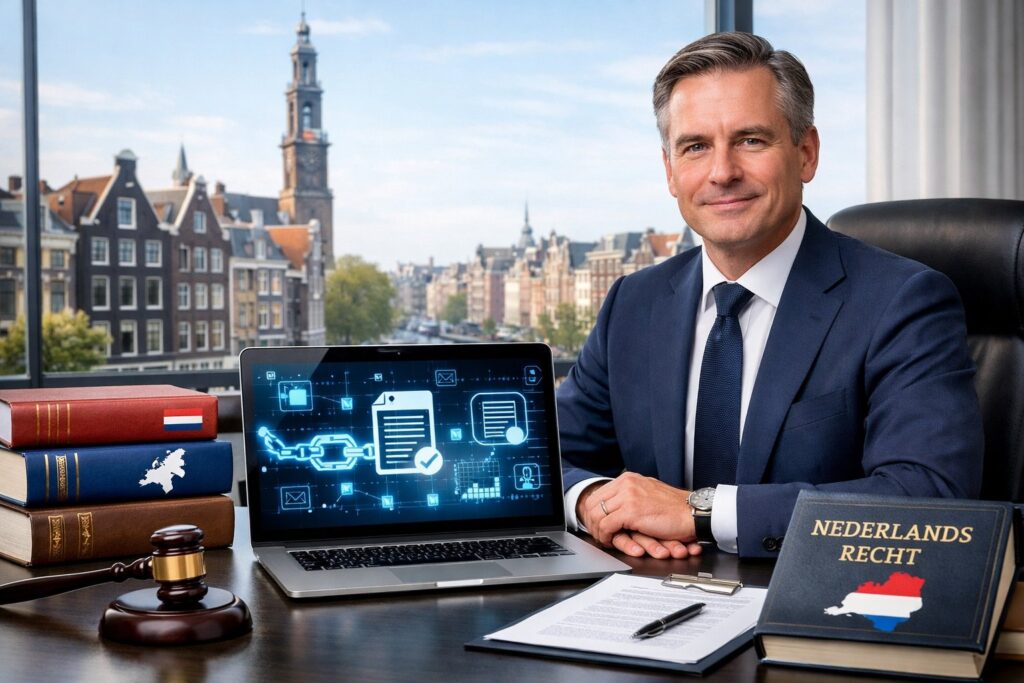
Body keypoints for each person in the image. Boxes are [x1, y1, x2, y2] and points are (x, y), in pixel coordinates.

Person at [557, 32, 983, 560]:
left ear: (806, 153)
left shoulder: (903, 302)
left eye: (751, 140)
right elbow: (546, 456)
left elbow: (930, 496)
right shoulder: (633, 303)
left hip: (813, 619)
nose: (722, 172)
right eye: (695, 147)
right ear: (670, 172)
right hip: (643, 605)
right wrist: (596, 501)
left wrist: (699, 512)